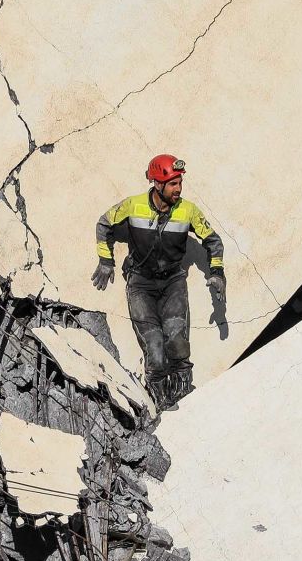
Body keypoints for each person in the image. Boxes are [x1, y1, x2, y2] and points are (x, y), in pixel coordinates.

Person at [92, 154, 225, 408]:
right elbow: (104, 224)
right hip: (140, 284)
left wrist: (217, 273)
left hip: (173, 282)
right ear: (157, 184)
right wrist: (105, 261)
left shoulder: (188, 211)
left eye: (180, 183)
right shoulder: (133, 205)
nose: (179, 189)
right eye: (173, 184)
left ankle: (186, 400)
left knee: (177, 341)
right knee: (154, 345)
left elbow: (213, 241)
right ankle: (160, 404)